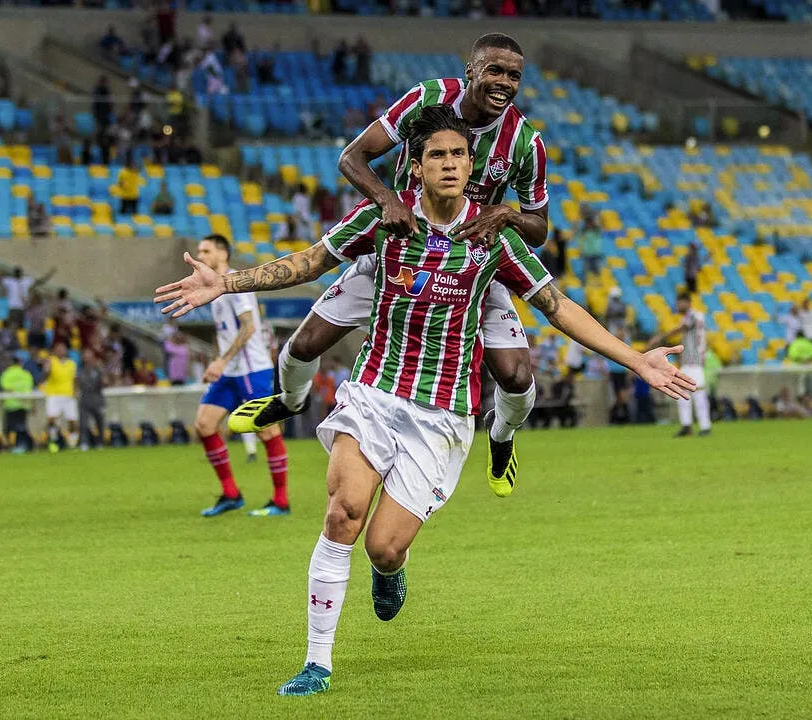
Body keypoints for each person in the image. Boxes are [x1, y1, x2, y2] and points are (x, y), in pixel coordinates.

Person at [154, 105, 695, 697]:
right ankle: (317, 663)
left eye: (458, 155)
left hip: (440, 417)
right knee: (342, 515)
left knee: (384, 548)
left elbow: (558, 307)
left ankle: (392, 571)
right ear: (415, 164)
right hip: (372, 395)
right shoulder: (384, 219)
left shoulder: (493, 237)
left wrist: (635, 358)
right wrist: (226, 282)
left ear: (471, 166)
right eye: (436, 154)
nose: (448, 164)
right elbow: (309, 262)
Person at [226, 33, 550, 501]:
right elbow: (352, 156)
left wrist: (509, 215)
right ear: (471, 72)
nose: (503, 82)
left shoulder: (525, 143)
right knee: (302, 346)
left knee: (517, 376)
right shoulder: (427, 100)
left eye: (514, 75)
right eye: (494, 71)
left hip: (472, 265)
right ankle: (288, 400)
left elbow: (539, 228)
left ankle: (500, 438)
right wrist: (386, 201)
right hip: (399, 253)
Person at [192, 234, 290, 518]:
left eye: (205, 250)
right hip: (230, 371)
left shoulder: (236, 283)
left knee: (267, 431)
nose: (201, 255)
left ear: (222, 253)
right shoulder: (214, 286)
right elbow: (224, 330)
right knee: (204, 424)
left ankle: (281, 501)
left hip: (252, 370)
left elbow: (248, 328)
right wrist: (217, 360)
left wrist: (221, 361)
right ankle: (231, 494)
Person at [650, 292, 712, 437]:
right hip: (688, 361)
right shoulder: (691, 316)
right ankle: (687, 425)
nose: (678, 306)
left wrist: (660, 338)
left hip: (695, 361)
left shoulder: (694, 315)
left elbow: (679, 329)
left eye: (680, 303)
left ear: (687, 302)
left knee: (698, 393)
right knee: (682, 392)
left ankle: (705, 426)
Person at [42, 341, 78, 452]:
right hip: (54, 395)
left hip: (68, 395)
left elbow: (75, 379)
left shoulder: (71, 364)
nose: (60, 351)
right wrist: (46, 368)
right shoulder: (51, 361)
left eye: (62, 348)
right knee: (52, 419)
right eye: (58, 349)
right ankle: (53, 440)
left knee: (72, 420)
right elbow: (45, 376)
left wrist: (76, 392)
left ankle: (72, 444)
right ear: (54, 351)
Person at [0, 352, 35, 453]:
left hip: (10, 404)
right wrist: (31, 404)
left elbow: (5, 387)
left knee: (9, 428)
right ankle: (22, 446)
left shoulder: (7, 373)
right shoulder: (26, 374)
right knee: (22, 427)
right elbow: (29, 390)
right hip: (23, 405)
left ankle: (9, 447)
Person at [76, 348, 107, 450]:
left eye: (89, 355)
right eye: (85, 355)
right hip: (85, 398)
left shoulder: (98, 369)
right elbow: (76, 384)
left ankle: (100, 443)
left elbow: (105, 383)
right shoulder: (80, 370)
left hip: (97, 398)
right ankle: (84, 443)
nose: (87, 358)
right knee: (83, 423)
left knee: (100, 422)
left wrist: (102, 371)